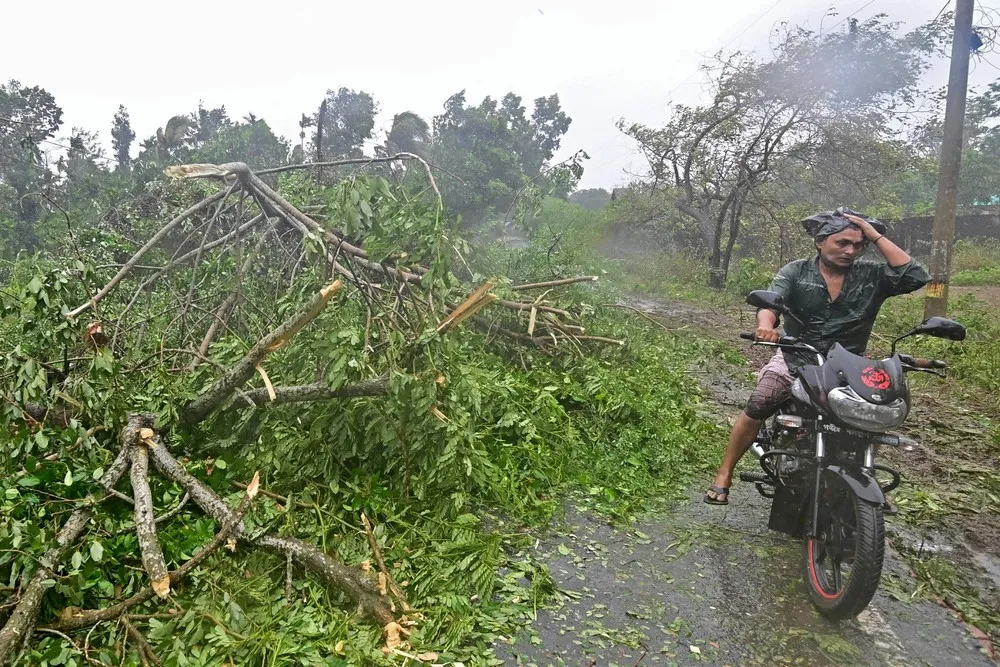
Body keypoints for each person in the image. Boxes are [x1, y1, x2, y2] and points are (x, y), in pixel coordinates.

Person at [703, 208, 931, 507]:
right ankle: (724, 473)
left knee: (867, 417)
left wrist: (874, 235)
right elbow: (773, 302)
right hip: (797, 355)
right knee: (760, 401)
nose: (850, 251)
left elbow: (915, 275)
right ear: (820, 242)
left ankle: (864, 477)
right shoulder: (795, 271)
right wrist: (765, 325)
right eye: (842, 243)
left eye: (858, 245)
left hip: (847, 363)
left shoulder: (873, 275)